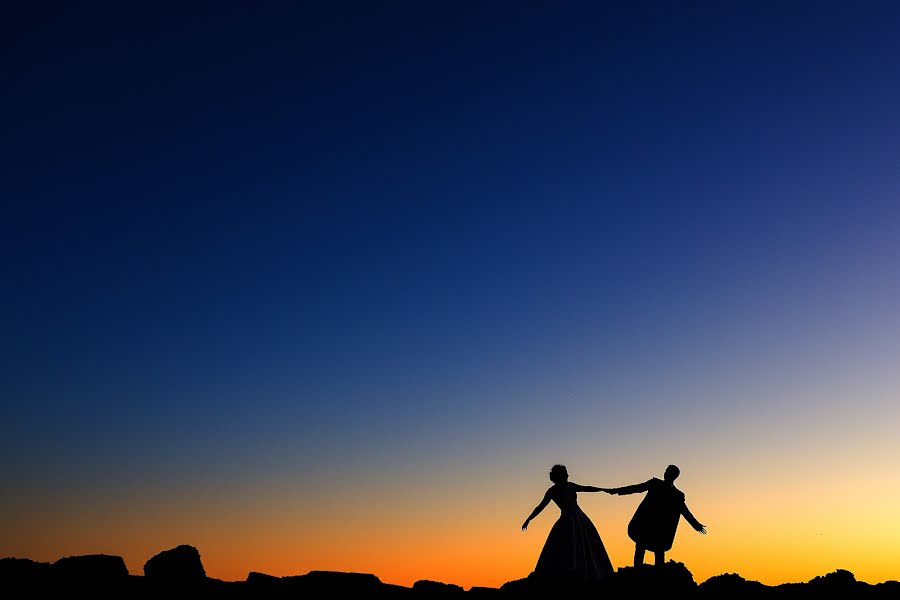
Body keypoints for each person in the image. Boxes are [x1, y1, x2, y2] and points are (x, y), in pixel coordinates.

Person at [521, 464, 614, 583]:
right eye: (564, 473)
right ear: (558, 476)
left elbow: (587, 488)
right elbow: (540, 506)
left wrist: (603, 489)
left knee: (586, 545)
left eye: (566, 473)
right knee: (566, 547)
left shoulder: (571, 486)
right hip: (566, 520)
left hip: (580, 518)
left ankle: (588, 572)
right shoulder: (552, 491)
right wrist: (529, 519)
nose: (567, 475)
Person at [605, 464, 706, 567]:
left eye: (669, 472)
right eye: (666, 471)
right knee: (640, 547)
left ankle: (659, 573)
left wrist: (696, 525)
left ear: (674, 476)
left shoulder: (677, 494)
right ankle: (637, 570)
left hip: (661, 529)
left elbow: (684, 511)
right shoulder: (655, 483)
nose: (666, 473)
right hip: (646, 524)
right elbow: (636, 488)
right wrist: (616, 491)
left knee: (659, 552)